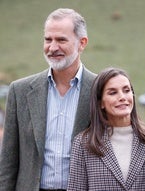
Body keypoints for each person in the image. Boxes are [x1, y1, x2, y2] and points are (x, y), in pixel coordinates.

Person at [0, 8, 96, 191]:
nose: (52, 47)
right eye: (48, 39)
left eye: (61, 40)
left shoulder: (100, 89)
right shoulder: (19, 91)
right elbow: (7, 163)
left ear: (82, 43)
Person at [67, 67, 145, 191]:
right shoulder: (83, 143)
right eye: (113, 92)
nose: (122, 97)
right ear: (101, 103)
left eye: (126, 90)